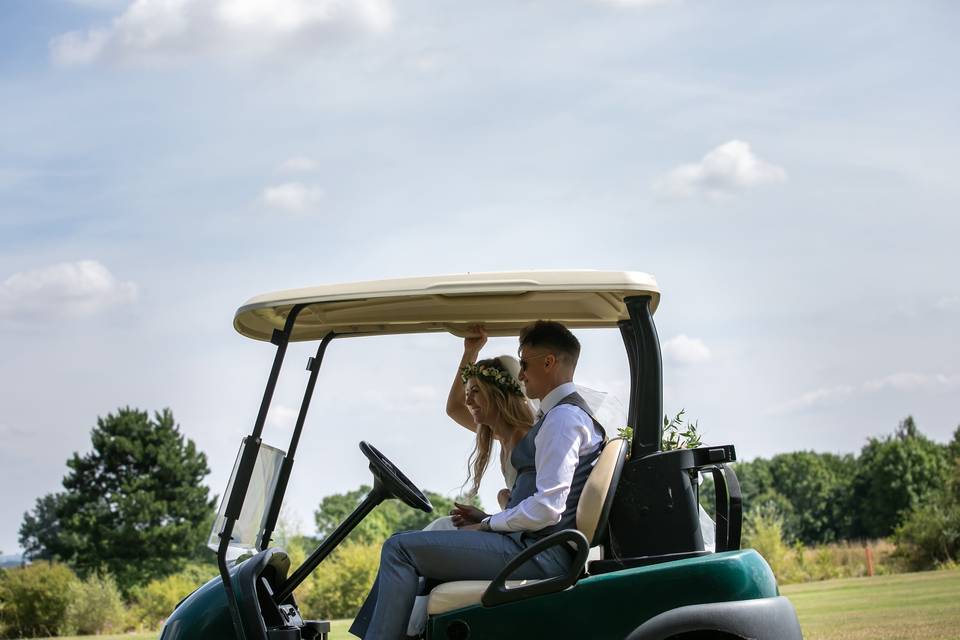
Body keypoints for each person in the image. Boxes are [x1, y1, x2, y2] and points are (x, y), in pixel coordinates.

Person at [349, 321, 606, 640]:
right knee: (411, 542)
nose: (521, 373)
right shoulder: (558, 417)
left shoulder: (563, 420)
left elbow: (548, 509)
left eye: (524, 363)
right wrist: (487, 519)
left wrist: (488, 524)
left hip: (539, 554)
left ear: (548, 362)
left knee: (399, 548)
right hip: (533, 547)